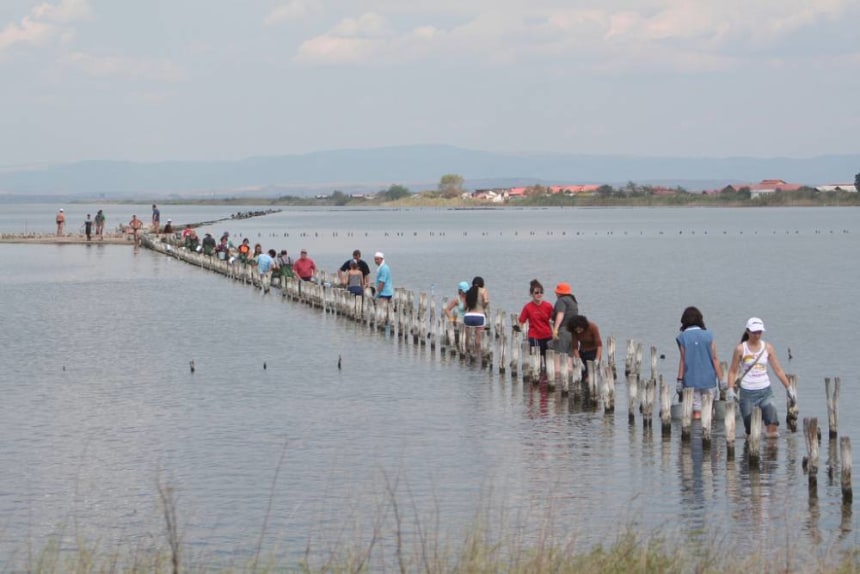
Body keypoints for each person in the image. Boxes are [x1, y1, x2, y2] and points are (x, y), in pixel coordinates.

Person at [727, 317, 795, 438]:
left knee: (772, 426)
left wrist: (789, 388)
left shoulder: (767, 347)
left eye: (759, 332)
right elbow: (732, 371)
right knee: (751, 431)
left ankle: (770, 454)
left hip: (765, 391)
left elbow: (778, 370)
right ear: (748, 331)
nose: (757, 335)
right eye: (754, 332)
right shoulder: (740, 349)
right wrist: (730, 389)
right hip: (747, 393)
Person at [675, 306, 723, 420]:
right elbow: (715, 358)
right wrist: (722, 379)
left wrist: (679, 380)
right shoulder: (708, 335)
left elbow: (683, 359)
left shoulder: (682, 337)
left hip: (691, 380)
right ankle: (708, 434)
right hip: (709, 379)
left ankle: (696, 435)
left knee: (696, 413)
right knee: (708, 409)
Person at [517, 279, 554, 358]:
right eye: (536, 293)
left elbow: (553, 320)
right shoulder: (527, 307)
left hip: (547, 335)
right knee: (537, 359)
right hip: (534, 336)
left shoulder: (548, 306)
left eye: (541, 292)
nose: (539, 294)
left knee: (548, 359)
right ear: (531, 294)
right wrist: (518, 328)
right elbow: (521, 321)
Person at [551, 282, 579, 370]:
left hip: (564, 332)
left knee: (558, 358)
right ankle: (569, 381)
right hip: (573, 333)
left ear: (559, 293)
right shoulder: (573, 301)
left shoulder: (561, 301)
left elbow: (560, 314)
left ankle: (558, 381)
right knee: (569, 358)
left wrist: (555, 329)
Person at [567, 314, 603, 379]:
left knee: (590, 376)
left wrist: (597, 359)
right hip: (582, 353)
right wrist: (578, 359)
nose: (578, 331)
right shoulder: (574, 331)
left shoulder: (592, 327)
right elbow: (575, 347)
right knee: (582, 375)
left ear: (583, 326)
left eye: (579, 329)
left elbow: (599, 345)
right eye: (576, 330)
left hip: (593, 352)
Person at [463, 277, 489, 355]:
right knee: (478, 336)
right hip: (479, 317)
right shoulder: (483, 290)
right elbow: (486, 301)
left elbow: (465, 306)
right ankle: (477, 353)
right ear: (482, 284)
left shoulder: (468, 291)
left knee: (467, 336)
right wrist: (483, 307)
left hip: (468, 316)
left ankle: (467, 352)